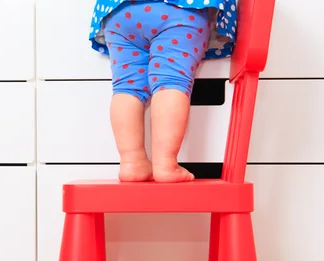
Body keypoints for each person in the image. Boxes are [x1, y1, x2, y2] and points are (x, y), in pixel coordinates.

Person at [89, 0, 238, 182]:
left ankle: (132, 163)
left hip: (119, 12)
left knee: (126, 88)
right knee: (171, 82)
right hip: (180, 10)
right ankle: (166, 164)